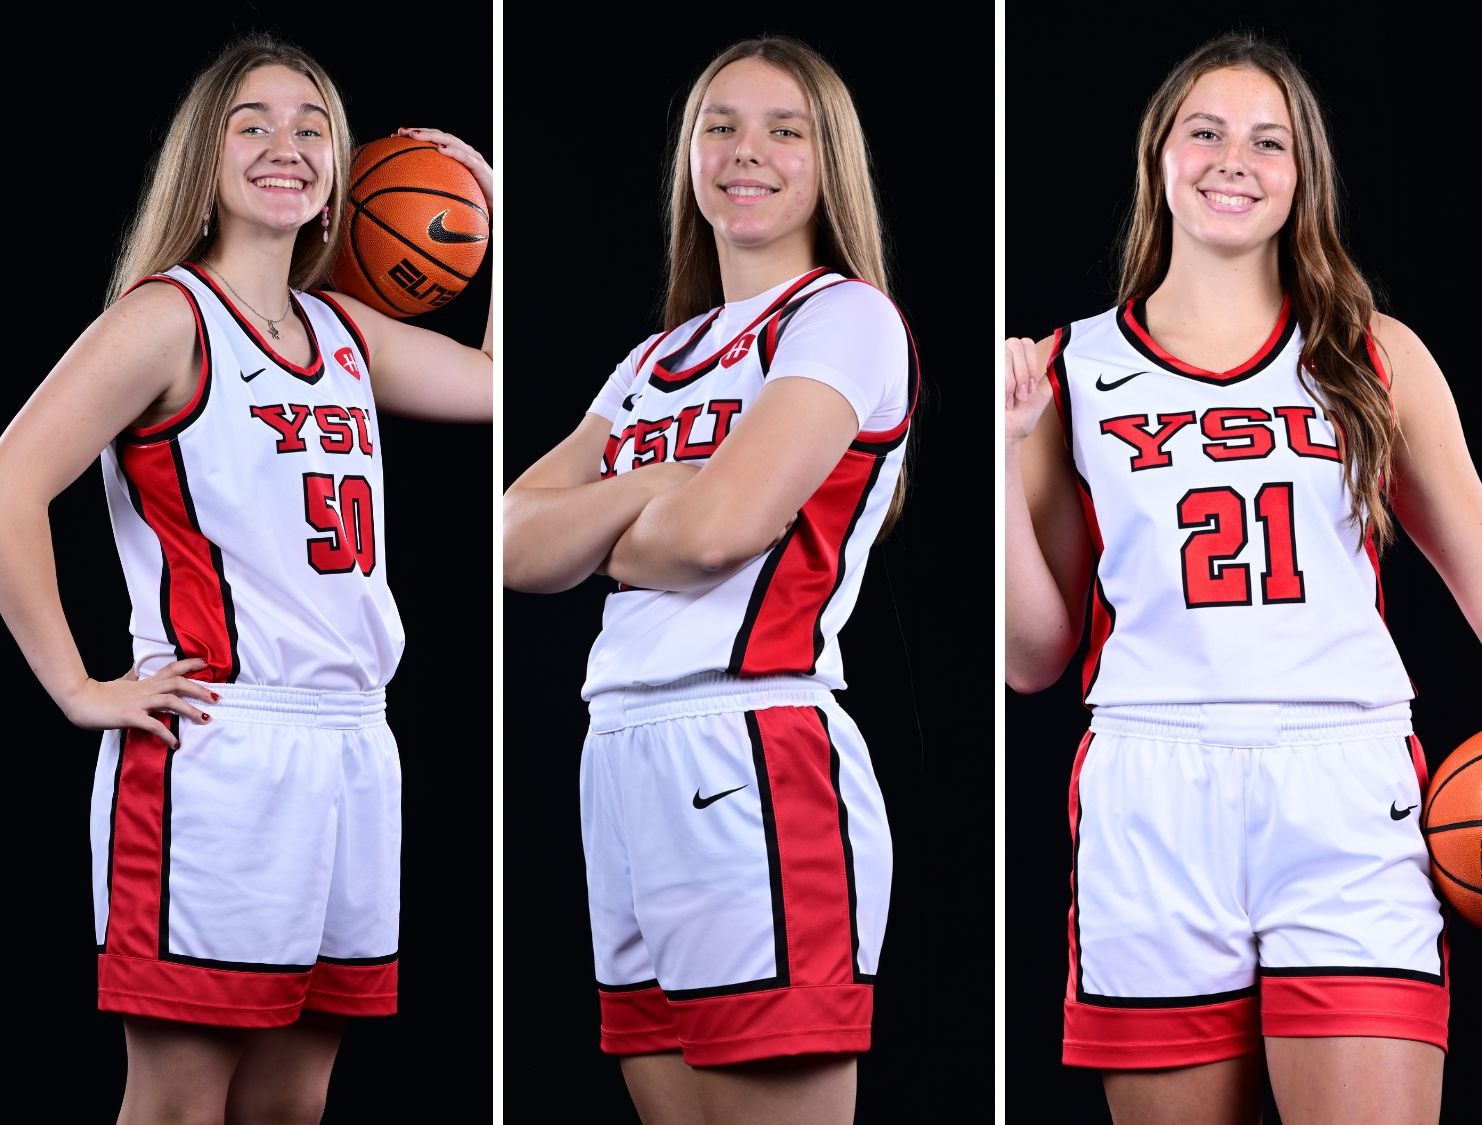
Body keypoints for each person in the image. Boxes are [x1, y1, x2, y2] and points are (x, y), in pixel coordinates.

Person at [1004, 33, 1482, 1125]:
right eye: (1207, 132)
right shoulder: (1068, 367)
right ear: (1158, 160)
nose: (1235, 160)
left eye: (1267, 141)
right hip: (1150, 782)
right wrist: (1002, 457)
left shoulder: (1373, 353)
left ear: (1302, 175)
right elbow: (1033, 657)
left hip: (1343, 777)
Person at [0, 34, 492, 1122]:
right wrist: (81, 690)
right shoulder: (166, 319)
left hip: (354, 741)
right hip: (220, 750)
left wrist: (497, 204)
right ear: (204, 161)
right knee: (180, 1102)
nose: (288, 145)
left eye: (314, 126)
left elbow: (501, 382)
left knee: (290, 1103)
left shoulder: (343, 330)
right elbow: (7, 484)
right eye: (254, 124)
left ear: (340, 178)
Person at [502, 35, 915, 1125]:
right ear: (686, 154)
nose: (749, 152)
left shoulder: (844, 319)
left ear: (831, 164)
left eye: (787, 130)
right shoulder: (650, 361)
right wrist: (674, 486)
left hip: (754, 751)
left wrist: (611, 525)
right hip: (621, 758)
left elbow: (717, 534)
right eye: (719, 125)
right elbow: (506, 544)